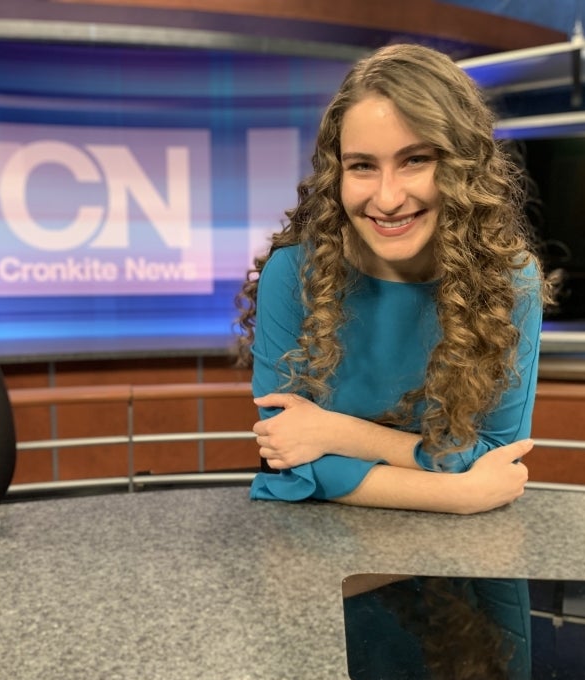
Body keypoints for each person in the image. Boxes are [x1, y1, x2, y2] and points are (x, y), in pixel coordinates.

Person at [235, 43, 556, 514]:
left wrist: (338, 434)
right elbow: (288, 457)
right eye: (362, 165)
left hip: (456, 559)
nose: (387, 199)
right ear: (335, 173)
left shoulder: (511, 282)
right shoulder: (292, 274)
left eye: (415, 160)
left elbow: (496, 457)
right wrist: (455, 493)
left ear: (462, 165)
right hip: (313, 543)